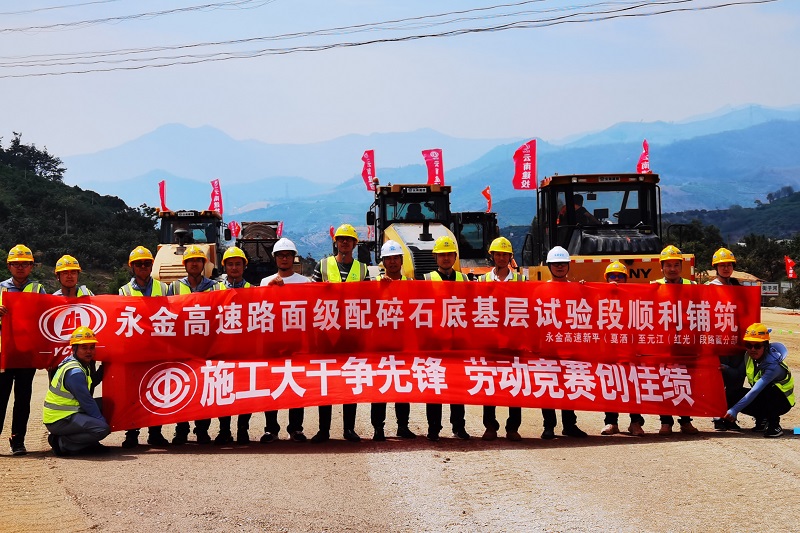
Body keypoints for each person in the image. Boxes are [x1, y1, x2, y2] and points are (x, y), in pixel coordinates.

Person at [310, 224, 369, 443]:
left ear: (355, 244)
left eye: (349, 239)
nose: (345, 242)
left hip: (351, 335)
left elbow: (370, 301)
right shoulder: (322, 265)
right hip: (326, 334)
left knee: (349, 383)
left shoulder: (362, 270)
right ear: (336, 242)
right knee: (326, 382)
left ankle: (349, 429)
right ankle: (323, 430)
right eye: (341, 239)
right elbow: (309, 297)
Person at [167, 245, 225, 444]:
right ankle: (181, 430)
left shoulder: (217, 288)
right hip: (182, 347)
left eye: (198, 260)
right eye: (191, 261)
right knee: (182, 389)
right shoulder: (173, 288)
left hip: (207, 347)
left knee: (204, 390)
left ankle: (202, 430)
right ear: (185, 265)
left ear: (204, 264)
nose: (194, 263)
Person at [255, 238, 309, 444]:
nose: (284, 258)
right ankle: (271, 429)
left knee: (296, 385)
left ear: (293, 257)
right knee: (272, 385)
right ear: (275, 258)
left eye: (287, 254)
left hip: (296, 341)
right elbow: (260, 311)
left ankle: (296, 428)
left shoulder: (305, 283)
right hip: (272, 341)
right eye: (280, 255)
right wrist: (270, 290)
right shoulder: (265, 282)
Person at [119, 246, 171, 448]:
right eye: (139, 264)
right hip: (134, 350)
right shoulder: (124, 291)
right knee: (133, 395)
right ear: (131, 267)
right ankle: (132, 434)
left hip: (157, 348)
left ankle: (155, 432)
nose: (143, 267)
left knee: (156, 391)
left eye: (147, 263)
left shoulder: (164, 289)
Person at [0, 244, 46, 456]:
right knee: (0, 399)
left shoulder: (38, 290)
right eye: (16, 264)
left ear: (31, 267)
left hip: (27, 355)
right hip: (4, 354)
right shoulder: (0, 289)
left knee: (23, 400)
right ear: (9, 266)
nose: (20, 268)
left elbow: (48, 320)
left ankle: (18, 441)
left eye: (25, 264)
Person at [478, 237, 525, 442]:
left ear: (510, 257)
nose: (501, 257)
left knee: (514, 385)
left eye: (505, 254)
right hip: (490, 341)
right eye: (498, 254)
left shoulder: (521, 281)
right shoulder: (482, 281)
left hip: (514, 341)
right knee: (490, 386)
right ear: (492, 256)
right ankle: (490, 426)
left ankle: (512, 427)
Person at [423, 235, 469, 441]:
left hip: (458, 342)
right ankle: (433, 428)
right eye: (442, 255)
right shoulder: (425, 280)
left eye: (449, 254)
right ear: (435, 257)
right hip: (434, 342)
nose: (446, 258)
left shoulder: (465, 280)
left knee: (457, 387)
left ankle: (458, 426)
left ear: (455, 257)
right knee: (435, 387)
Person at [371, 240, 417, 441]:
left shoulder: (411, 285)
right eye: (388, 259)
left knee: (402, 387)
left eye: (395, 258)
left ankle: (402, 426)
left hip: (403, 343)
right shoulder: (374, 286)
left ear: (401, 260)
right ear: (383, 262)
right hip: (380, 344)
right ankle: (378, 428)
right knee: (380, 388)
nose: (392, 262)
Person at [540, 246, 587, 439]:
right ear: (550, 266)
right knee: (549, 387)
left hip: (570, 345)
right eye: (556, 264)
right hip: (548, 346)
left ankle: (570, 425)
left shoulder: (578, 289)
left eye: (563, 264)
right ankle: (548, 426)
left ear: (568, 266)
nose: (560, 267)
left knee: (569, 385)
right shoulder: (540, 290)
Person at [651, 244, 699, 435]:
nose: (672, 269)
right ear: (661, 267)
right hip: (664, 344)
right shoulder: (654, 286)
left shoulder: (693, 286)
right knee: (665, 382)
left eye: (675, 265)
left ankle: (686, 420)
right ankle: (666, 421)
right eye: (668, 265)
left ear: (681, 266)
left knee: (685, 382)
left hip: (687, 342)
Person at [43, 326, 111, 456]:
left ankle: (88, 442)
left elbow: (91, 384)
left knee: (108, 405)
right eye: (84, 348)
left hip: (70, 412)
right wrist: (100, 422)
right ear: (74, 349)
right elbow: (87, 402)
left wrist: (105, 366)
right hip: (59, 419)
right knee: (102, 429)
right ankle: (62, 442)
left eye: (91, 347)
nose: (89, 351)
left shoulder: (78, 363)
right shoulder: (75, 372)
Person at [214, 246, 256, 445]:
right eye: (230, 264)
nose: (234, 268)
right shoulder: (214, 290)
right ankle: (224, 430)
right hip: (222, 348)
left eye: (238, 264)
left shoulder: (253, 290)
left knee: (244, 392)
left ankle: (243, 429)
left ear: (244, 266)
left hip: (244, 349)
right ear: (224, 267)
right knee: (224, 390)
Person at [599, 261, 646, 437]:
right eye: (613, 276)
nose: (616, 279)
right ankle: (611, 422)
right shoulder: (599, 297)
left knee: (633, 387)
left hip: (631, 349)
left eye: (620, 276)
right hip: (609, 350)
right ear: (606, 279)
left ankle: (635, 422)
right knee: (611, 386)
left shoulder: (637, 297)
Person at [723, 323, 794, 438]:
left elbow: (755, 390)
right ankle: (762, 419)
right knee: (732, 393)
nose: (752, 349)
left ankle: (774, 425)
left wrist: (735, 410)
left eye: (757, 346)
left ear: (765, 346)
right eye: (748, 345)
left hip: (782, 401)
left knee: (768, 389)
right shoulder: (748, 356)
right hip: (763, 398)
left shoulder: (773, 366)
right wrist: (726, 368)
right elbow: (739, 374)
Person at [707, 248, 745, 431]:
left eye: (728, 265)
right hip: (718, 343)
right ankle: (717, 417)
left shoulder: (738, 288)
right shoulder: (709, 288)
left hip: (737, 342)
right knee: (719, 380)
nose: (726, 268)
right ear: (716, 267)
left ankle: (731, 416)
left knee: (736, 379)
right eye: (722, 265)